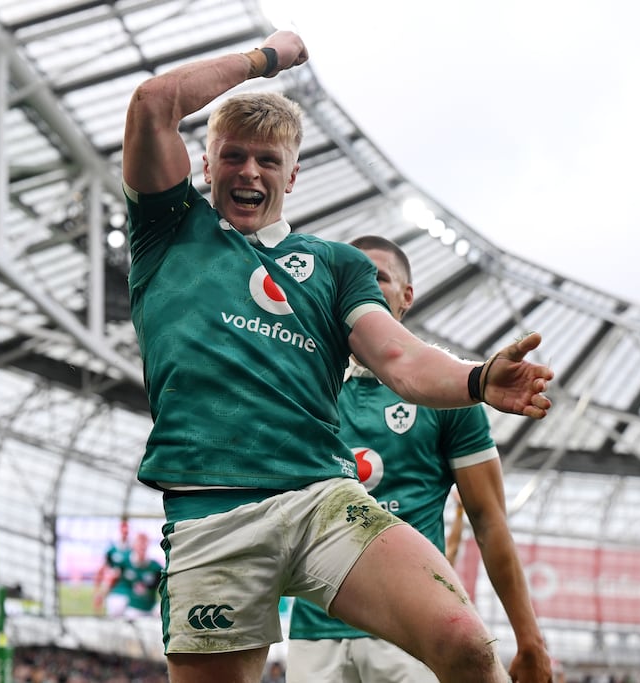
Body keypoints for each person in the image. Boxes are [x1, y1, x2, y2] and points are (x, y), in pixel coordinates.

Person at [121, 28, 554, 683]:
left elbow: (400, 359)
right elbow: (154, 101)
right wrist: (268, 58)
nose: (249, 172)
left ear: (292, 174)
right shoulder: (169, 231)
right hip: (212, 512)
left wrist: (474, 377)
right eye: (233, 156)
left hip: (319, 497)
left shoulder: (333, 265)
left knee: (464, 640)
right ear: (206, 166)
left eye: (268, 160)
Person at [286, 236, 551, 682]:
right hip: (314, 632)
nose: (362, 287)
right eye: (348, 278)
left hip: (411, 630)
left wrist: (529, 639)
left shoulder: (450, 393)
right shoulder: (300, 385)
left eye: (378, 277)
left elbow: (489, 522)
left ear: (406, 297)